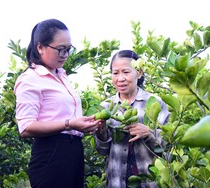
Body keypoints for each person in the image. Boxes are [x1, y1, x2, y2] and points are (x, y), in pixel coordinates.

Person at [14, 18, 101, 188]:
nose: (66, 55)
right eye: (60, 50)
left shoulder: (61, 75)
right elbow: (25, 127)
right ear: (40, 47)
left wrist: (84, 124)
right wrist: (69, 124)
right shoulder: (30, 79)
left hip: (73, 151)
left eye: (68, 49)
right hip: (51, 153)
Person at [94, 50, 170, 188]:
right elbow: (102, 151)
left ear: (139, 73)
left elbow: (169, 145)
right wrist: (101, 133)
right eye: (115, 73)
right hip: (116, 181)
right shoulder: (106, 107)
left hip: (150, 182)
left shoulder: (154, 103)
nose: (120, 78)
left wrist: (149, 133)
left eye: (126, 72)